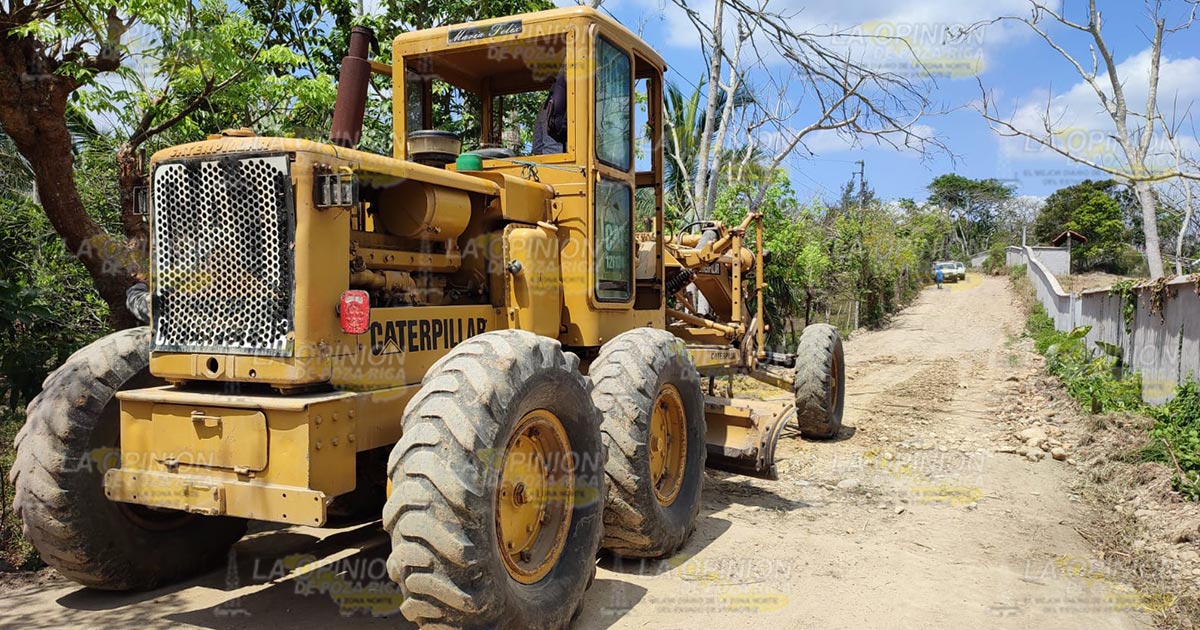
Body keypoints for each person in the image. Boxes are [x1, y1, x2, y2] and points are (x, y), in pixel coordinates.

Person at [532, 70, 567, 154]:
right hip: (569, 159)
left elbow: (537, 146)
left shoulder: (544, 108)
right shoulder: (574, 104)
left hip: (548, 157)